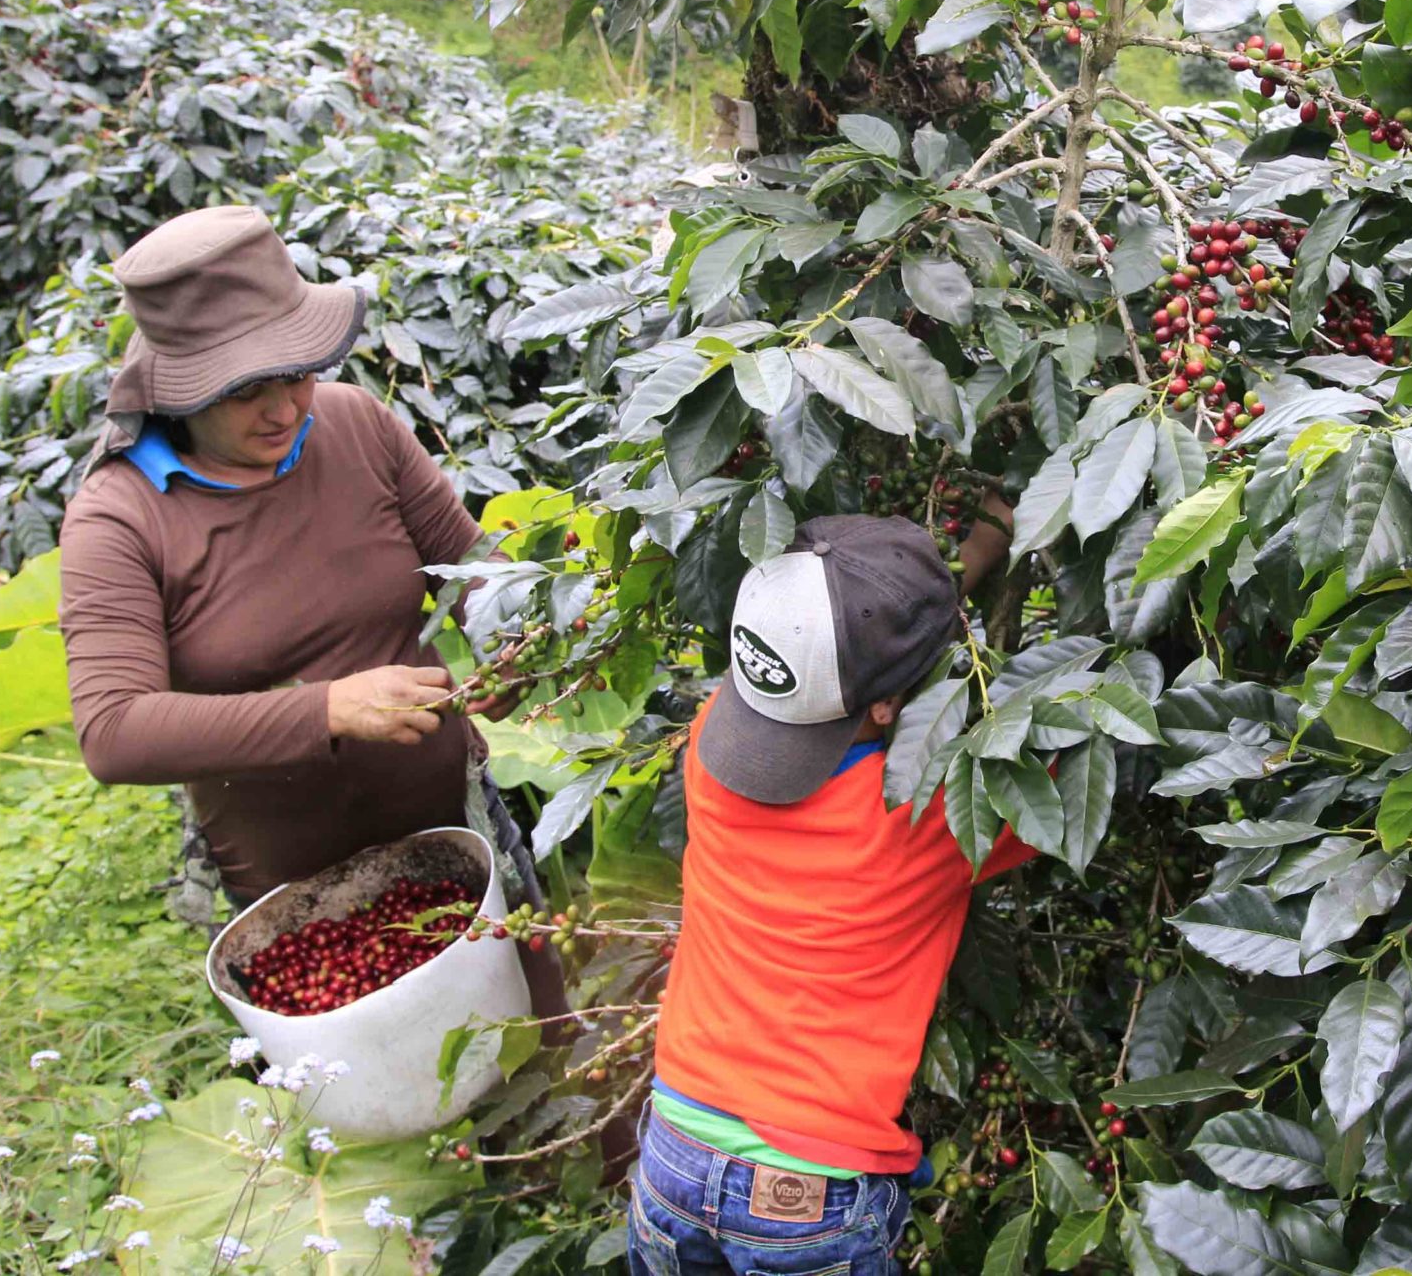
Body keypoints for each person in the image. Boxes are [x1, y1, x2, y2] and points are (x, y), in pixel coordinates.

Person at [55, 204, 562, 1018]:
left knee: (544, 1041)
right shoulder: (121, 517)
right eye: (246, 390)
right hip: (295, 891)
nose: (287, 408)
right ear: (181, 390)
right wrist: (327, 708)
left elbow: (469, 567)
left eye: (297, 372)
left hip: (456, 828)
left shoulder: (355, 424)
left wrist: (508, 635)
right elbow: (114, 730)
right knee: (380, 1111)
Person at [631, 513, 1025, 1276]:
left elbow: (839, 657)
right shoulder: (928, 815)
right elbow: (1064, 802)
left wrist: (963, 565)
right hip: (802, 1198)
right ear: (886, 706)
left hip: (672, 1152)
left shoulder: (715, 744)